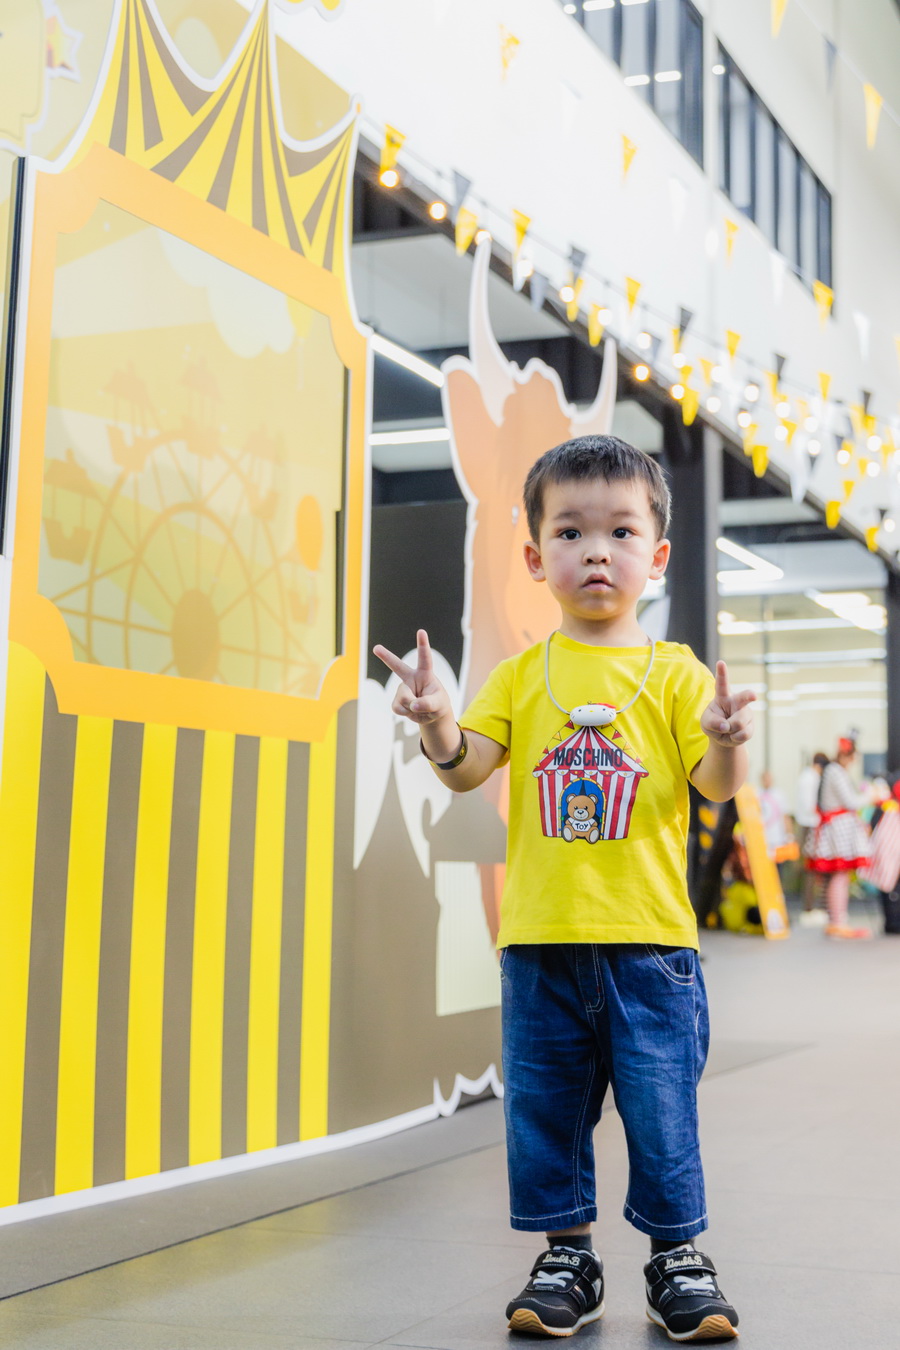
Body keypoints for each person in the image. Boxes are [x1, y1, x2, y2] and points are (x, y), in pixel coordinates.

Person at [374, 435, 755, 1342]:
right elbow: (467, 770)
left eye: (621, 531)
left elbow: (714, 785)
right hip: (540, 941)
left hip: (652, 944)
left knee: (662, 1108)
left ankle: (677, 1259)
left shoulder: (675, 675)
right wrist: (436, 725)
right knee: (545, 1109)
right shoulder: (521, 675)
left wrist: (729, 737)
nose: (596, 550)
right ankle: (566, 1256)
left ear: (656, 556)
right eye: (572, 531)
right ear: (535, 556)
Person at [804, 737, 871, 939]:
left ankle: (837, 921)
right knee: (839, 876)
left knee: (838, 876)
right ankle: (837, 922)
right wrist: (872, 795)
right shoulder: (835, 771)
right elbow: (851, 802)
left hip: (835, 828)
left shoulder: (832, 770)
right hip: (838, 829)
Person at [860, 776, 900, 934]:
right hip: (891, 853)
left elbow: (872, 825)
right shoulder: (888, 807)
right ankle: (893, 922)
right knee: (892, 889)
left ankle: (891, 922)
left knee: (888, 889)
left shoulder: (884, 806)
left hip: (886, 853)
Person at [794, 753, 829, 925]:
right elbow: (810, 805)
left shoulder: (805, 776)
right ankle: (809, 909)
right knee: (811, 868)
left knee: (810, 868)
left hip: (805, 824)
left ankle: (809, 908)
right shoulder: (812, 778)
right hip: (810, 825)